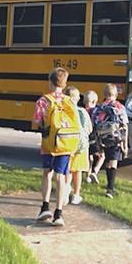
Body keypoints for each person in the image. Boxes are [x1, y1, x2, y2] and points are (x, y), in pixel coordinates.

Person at [32, 67, 79, 226]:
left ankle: (45, 206)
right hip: (66, 144)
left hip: (49, 143)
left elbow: (36, 123)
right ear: (65, 84)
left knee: (47, 173)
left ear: (50, 82)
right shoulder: (69, 101)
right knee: (60, 177)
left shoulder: (43, 101)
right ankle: (59, 213)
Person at [92, 84, 128, 198]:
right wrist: (125, 144)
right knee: (113, 162)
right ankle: (110, 188)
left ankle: (109, 185)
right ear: (116, 94)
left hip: (103, 139)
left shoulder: (99, 108)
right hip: (115, 138)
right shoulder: (119, 107)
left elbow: (94, 123)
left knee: (108, 161)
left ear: (104, 94)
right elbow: (124, 126)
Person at [64, 86, 92, 205]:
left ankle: (65, 192)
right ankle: (76, 194)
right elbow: (89, 128)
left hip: (68, 144)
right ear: (77, 98)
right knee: (78, 171)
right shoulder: (82, 111)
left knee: (68, 170)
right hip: (81, 146)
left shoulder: (64, 111)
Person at [83, 90, 105, 184]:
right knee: (102, 156)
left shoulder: (83, 111)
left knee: (89, 157)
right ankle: (95, 171)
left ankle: (87, 175)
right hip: (94, 137)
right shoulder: (96, 112)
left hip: (85, 137)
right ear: (95, 102)